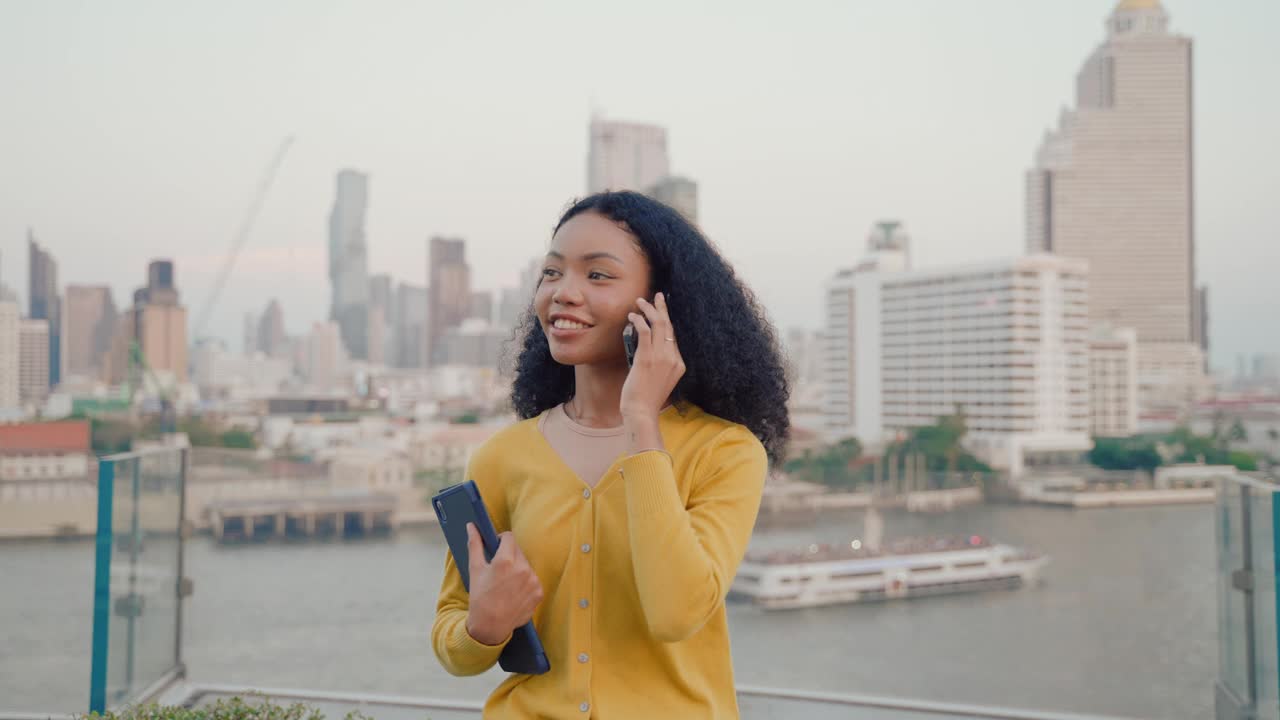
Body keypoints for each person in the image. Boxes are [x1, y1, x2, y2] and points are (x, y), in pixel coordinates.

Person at [431, 190, 790, 718]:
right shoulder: (500, 458)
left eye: (597, 276)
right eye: (552, 273)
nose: (564, 294)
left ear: (662, 304)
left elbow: (677, 612)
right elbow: (451, 637)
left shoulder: (725, 452)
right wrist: (483, 625)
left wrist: (642, 420)